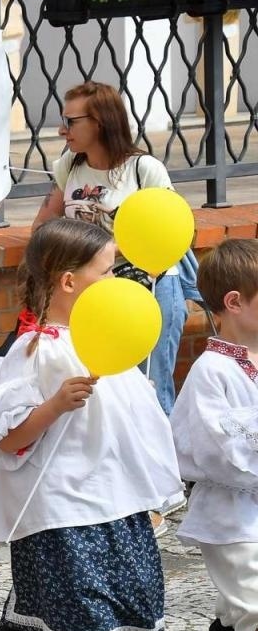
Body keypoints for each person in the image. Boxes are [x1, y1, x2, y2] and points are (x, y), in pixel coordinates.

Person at [0, 219, 181, 631]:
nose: (114, 282)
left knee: (99, 627)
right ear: (67, 282)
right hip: (60, 505)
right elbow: (4, 439)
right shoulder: (37, 351)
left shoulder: (105, 342)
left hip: (110, 499)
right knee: (83, 615)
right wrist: (55, 405)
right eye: (105, 272)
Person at [33, 80, 191, 415]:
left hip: (149, 291)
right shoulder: (69, 166)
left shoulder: (142, 168)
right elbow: (43, 226)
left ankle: (161, 465)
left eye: (72, 121)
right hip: (92, 298)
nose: (63, 130)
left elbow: (172, 229)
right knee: (108, 393)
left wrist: (101, 250)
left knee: (151, 388)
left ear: (101, 122)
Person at [170, 238, 258, 631]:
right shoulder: (212, 371)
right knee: (254, 608)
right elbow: (211, 449)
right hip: (230, 513)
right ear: (234, 302)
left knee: (234, 608)